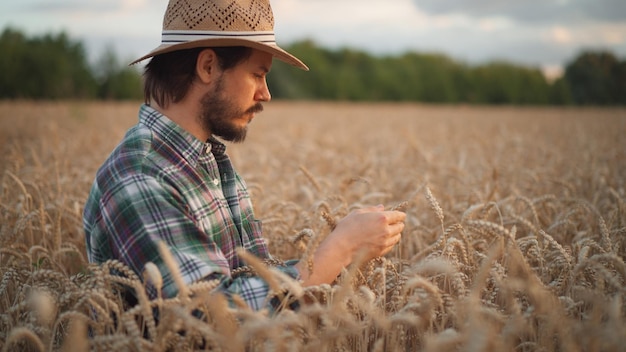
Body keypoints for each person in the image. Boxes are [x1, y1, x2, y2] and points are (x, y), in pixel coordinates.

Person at [83, 0, 406, 311]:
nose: (266, 93)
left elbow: (252, 280)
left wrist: (342, 255)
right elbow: (211, 317)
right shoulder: (140, 177)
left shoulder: (205, 161)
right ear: (208, 66)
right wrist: (339, 248)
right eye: (257, 74)